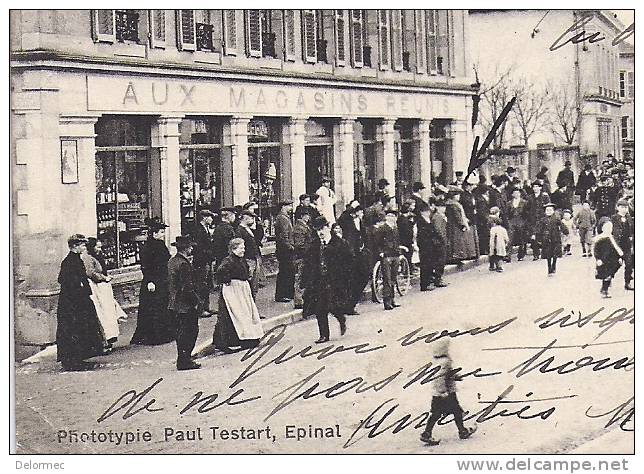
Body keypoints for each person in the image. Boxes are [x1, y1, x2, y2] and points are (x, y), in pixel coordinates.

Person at [56, 234, 104, 371]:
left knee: (81, 328)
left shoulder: (76, 259)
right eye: (82, 245)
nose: (84, 247)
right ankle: (72, 361)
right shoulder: (69, 261)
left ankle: (78, 358)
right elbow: (63, 280)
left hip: (78, 300)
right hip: (72, 303)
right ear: (75, 246)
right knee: (73, 329)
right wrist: (79, 286)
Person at [419, 340, 477, 446]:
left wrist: (455, 376)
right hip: (446, 393)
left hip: (438, 392)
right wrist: (443, 392)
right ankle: (461, 431)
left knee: (440, 413)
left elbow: (445, 374)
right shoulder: (445, 361)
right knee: (454, 412)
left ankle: (428, 433)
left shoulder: (436, 360)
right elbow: (439, 377)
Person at [213, 238, 264, 352]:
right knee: (237, 314)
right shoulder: (229, 260)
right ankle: (235, 340)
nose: (243, 250)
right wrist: (227, 280)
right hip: (234, 290)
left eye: (244, 248)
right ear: (233, 249)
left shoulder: (240, 260)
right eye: (241, 248)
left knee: (246, 313)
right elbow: (221, 271)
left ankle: (249, 338)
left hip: (242, 289)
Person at [301, 217, 348, 343]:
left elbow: (347, 261)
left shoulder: (339, 242)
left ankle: (341, 318)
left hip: (334, 280)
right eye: (317, 230)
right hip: (320, 280)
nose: (320, 232)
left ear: (328, 228)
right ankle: (324, 335)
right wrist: (305, 281)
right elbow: (309, 263)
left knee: (333, 305)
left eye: (322, 229)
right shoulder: (314, 245)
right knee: (319, 308)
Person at [131, 219, 175, 345]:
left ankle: (163, 333)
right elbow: (146, 265)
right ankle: (156, 335)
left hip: (162, 279)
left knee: (159, 306)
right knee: (155, 307)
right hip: (154, 281)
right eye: (161, 232)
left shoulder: (159, 245)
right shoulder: (149, 247)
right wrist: (150, 280)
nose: (163, 234)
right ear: (154, 234)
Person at [82, 237, 126, 351]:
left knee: (108, 312)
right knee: (103, 314)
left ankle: (109, 339)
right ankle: (104, 341)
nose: (99, 249)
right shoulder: (88, 258)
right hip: (97, 289)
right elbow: (91, 273)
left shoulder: (96, 257)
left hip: (103, 288)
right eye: (97, 247)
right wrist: (104, 278)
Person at [167, 235, 201, 371]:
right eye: (190, 247)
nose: (192, 248)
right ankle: (185, 360)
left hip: (174, 303)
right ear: (186, 249)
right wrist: (196, 301)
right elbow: (187, 287)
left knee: (181, 332)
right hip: (185, 305)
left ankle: (183, 358)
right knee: (190, 331)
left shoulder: (172, 261)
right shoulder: (184, 264)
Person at [341, 203, 369, 314]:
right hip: (350, 256)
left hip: (359, 254)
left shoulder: (360, 223)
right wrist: (352, 209)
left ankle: (351, 304)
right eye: (360, 212)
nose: (362, 214)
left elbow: (364, 236)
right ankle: (348, 306)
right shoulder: (348, 221)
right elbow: (343, 218)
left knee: (362, 278)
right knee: (352, 280)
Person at [374, 208, 403, 310]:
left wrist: (399, 251)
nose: (392, 218)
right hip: (386, 255)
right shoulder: (382, 228)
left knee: (393, 278)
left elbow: (398, 240)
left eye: (393, 216)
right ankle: (387, 302)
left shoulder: (395, 228)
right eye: (390, 216)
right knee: (387, 278)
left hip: (395, 254)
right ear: (386, 217)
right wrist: (380, 252)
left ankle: (392, 299)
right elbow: (377, 242)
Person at [192, 210, 216, 318]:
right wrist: (210, 254)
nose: (212, 219)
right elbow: (200, 248)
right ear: (205, 218)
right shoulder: (198, 230)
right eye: (210, 217)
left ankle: (206, 307)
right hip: (201, 262)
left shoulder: (206, 229)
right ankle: (200, 309)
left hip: (207, 261)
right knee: (201, 285)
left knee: (207, 285)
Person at [445, 188, 477, 264]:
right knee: (457, 241)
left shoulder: (450, 204)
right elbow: (458, 216)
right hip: (456, 226)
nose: (459, 197)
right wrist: (463, 223)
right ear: (453, 196)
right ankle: (457, 257)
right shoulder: (454, 205)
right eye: (457, 195)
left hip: (452, 225)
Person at [536, 203, 569, 276]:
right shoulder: (543, 220)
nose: (549, 211)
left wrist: (566, 232)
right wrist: (538, 238)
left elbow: (562, 226)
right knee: (548, 255)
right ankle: (549, 268)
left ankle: (554, 265)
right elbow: (539, 229)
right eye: (547, 210)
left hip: (555, 239)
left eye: (550, 210)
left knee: (555, 254)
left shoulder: (556, 219)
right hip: (546, 239)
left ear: (553, 211)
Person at [594, 220, 624, 298]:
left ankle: (605, 287)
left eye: (610, 227)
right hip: (604, 260)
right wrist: (598, 259)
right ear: (602, 228)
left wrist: (620, 257)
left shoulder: (612, 237)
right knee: (607, 275)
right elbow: (596, 250)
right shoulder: (600, 238)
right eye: (607, 227)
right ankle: (604, 290)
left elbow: (616, 248)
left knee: (610, 274)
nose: (609, 229)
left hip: (612, 260)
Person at [236, 210, 262, 299]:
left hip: (253, 258)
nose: (253, 220)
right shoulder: (240, 231)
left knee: (254, 284)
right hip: (248, 259)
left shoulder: (248, 229)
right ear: (245, 218)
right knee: (250, 283)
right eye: (251, 218)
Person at [293, 207, 314, 310]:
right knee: (300, 278)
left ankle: (304, 299)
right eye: (307, 215)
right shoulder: (299, 228)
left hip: (305, 256)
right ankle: (298, 300)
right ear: (302, 216)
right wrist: (308, 251)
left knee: (304, 277)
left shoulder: (304, 226)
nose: (308, 217)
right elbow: (299, 244)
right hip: (301, 257)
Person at [275, 200, 295, 302]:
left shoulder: (284, 217)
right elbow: (283, 235)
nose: (290, 208)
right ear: (283, 207)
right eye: (288, 206)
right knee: (285, 272)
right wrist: (290, 246)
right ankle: (282, 294)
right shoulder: (282, 218)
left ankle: (287, 293)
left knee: (288, 271)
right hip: (285, 250)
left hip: (285, 249)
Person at [611, 199, 634, 291]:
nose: (624, 209)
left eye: (626, 207)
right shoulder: (614, 218)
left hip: (627, 244)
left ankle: (627, 282)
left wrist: (631, 237)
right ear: (617, 208)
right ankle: (609, 278)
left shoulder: (629, 218)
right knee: (616, 264)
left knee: (629, 264)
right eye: (622, 207)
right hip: (618, 245)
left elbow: (632, 229)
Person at [527, 180, 550, 260]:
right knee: (534, 237)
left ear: (540, 187)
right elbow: (527, 208)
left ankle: (544, 253)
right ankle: (535, 254)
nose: (535, 188)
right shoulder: (530, 197)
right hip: (533, 219)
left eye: (537, 186)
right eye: (534, 187)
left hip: (542, 218)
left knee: (544, 236)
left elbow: (548, 207)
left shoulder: (544, 196)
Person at [506, 187, 528, 261]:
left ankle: (521, 255)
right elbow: (507, 213)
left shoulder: (524, 202)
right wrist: (509, 220)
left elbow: (526, 213)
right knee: (510, 238)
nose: (516, 194)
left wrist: (524, 221)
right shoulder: (509, 203)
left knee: (521, 238)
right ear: (512, 194)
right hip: (512, 221)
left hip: (521, 221)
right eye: (514, 193)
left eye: (518, 193)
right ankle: (508, 256)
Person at [397, 200, 416, 268]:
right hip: (406, 240)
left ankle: (407, 268)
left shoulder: (401, 219)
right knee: (408, 255)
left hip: (403, 239)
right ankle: (408, 268)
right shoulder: (405, 220)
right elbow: (408, 232)